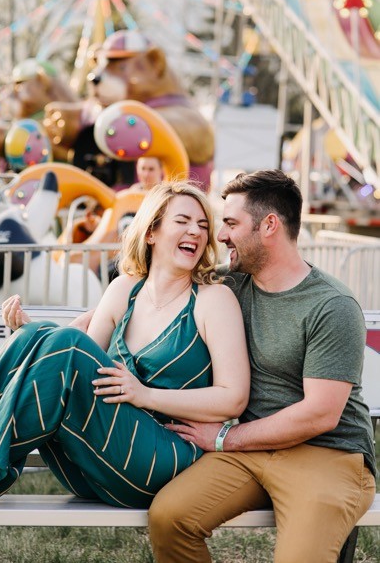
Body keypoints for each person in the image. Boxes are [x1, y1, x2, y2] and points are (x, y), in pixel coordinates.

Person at [0, 180, 249, 509]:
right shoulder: (124, 290)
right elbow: (80, 369)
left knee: (61, 341)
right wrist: (35, 341)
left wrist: (146, 395)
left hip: (161, 461)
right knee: (33, 335)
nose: (196, 232)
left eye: (203, 225)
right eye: (182, 221)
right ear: (150, 232)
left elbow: (233, 398)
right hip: (93, 461)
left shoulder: (213, 299)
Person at [147, 170, 376, 562]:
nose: (219, 237)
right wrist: (80, 325)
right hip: (250, 451)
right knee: (169, 519)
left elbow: (320, 413)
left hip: (326, 453)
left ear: (269, 225)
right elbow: (147, 290)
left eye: (231, 224)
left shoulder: (332, 305)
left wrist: (224, 439)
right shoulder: (228, 286)